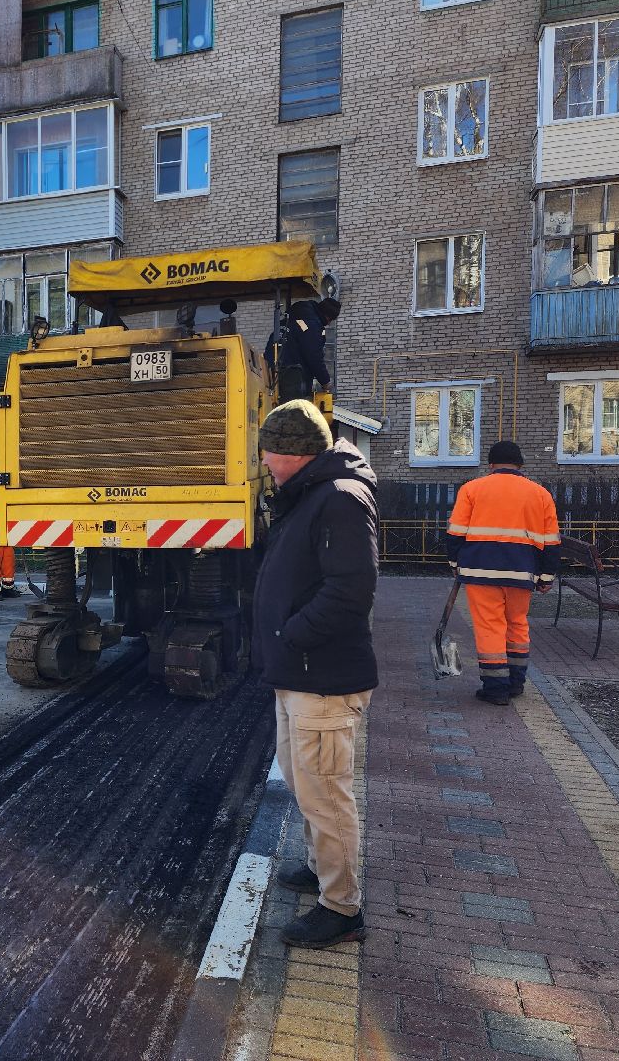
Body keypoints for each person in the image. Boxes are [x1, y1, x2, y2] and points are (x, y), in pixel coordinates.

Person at [252, 399, 379, 949]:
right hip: (300, 672)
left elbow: (351, 590)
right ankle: (321, 868)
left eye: (266, 454)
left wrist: (291, 634)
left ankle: (341, 907)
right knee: (307, 782)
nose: (263, 464)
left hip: (322, 676)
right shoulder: (314, 494)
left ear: (286, 454)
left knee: (326, 791)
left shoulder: (339, 500)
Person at [446, 441, 560, 705]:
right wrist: (546, 577)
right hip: (522, 572)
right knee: (517, 623)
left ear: (491, 464)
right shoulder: (540, 494)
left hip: (479, 569)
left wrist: (455, 564)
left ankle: (495, 687)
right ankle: (516, 682)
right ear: (520, 464)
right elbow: (551, 541)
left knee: (490, 626)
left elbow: (456, 533)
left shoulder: (472, 489)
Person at [264, 297, 340, 400]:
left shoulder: (291, 318)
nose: (329, 323)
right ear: (328, 316)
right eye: (330, 320)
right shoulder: (311, 325)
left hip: (269, 373)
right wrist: (325, 382)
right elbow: (314, 356)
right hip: (293, 379)